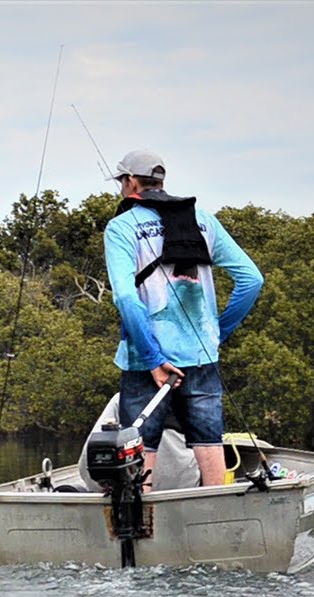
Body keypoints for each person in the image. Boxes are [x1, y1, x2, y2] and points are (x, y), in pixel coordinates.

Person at [103, 149, 263, 488]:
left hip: (145, 363)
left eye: (121, 180)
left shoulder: (120, 228)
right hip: (202, 357)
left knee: (139, 451)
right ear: (161, 181)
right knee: (210, 445)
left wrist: (152, 359)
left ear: (131, 182)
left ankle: (140, 522)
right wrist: (216, 333)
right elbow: (252, 280)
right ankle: (217, 519)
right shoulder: (204, 220)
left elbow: (126, 298)